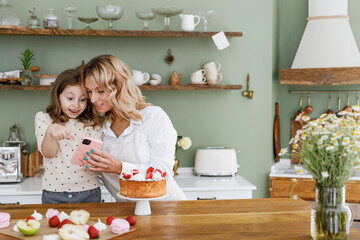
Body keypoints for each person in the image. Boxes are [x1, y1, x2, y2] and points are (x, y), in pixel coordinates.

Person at [80, 54, 186, 201]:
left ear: (119, 86)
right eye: (89, 91)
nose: (92, 99)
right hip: (127, 214)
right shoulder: (98, 128)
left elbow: (162, 171)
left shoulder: (153, 117)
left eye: (100, 91)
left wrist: (119, 168)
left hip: (168, 209)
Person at [34, 69, 103, 204]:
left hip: (89, 191)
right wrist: (50, 132)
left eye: (82, 99)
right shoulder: (44, 118)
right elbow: (48, 153)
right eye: (70, 98)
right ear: (58, 95)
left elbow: (95, 157)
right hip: (54, 192)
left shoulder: (94, 122)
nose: (76, 105)